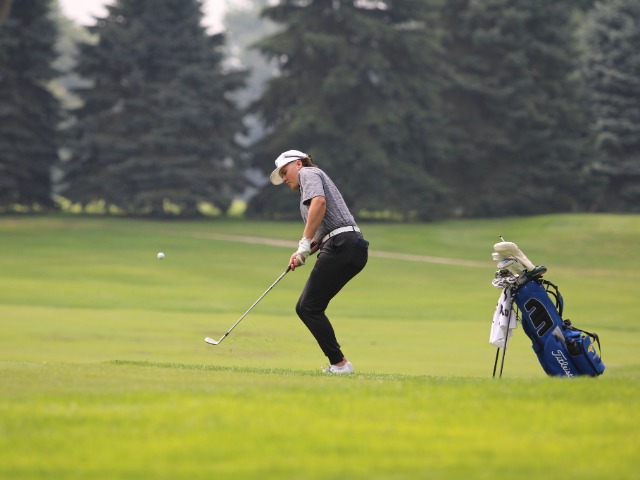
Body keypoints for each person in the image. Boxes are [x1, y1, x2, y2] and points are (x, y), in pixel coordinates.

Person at [270, 149, 369, 374]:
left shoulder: (308, 173)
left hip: (342, 244)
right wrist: (302, 252)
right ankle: (340, 364)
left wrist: (304, 242)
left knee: (307, 307)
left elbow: (320, 203)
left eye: (285, 172)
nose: (284, 178)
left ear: (298, 163)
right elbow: (320, 233)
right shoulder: (305, 191)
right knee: (309, 307)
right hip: (350, 247)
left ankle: (340, 365)